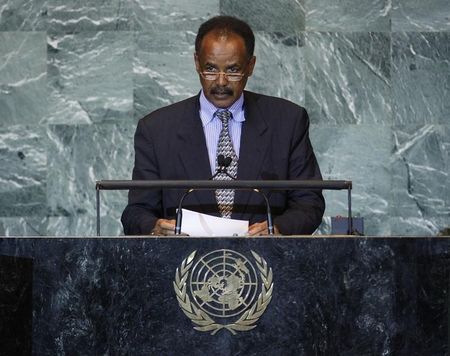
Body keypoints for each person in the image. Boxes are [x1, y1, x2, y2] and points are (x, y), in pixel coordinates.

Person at [121, 16, 325, 236]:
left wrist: (277, 229)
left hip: (266, 262)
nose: (220, 81)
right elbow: (136, 212)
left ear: (250, 66)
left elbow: (309, 202)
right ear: (196, 63)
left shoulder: (287, 121)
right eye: (210, 69)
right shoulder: (156, 129)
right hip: (184, 263)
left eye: (233, 70)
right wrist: (154, 227)